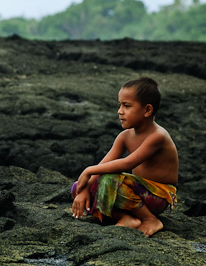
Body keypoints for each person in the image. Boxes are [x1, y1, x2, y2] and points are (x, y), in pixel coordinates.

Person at [72, 77, 179, 237]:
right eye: (120, 105)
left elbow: (127, 163)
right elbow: (105, 164)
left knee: (109, 179)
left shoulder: (158, 136)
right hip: (134, 195)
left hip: (157, 196)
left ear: (147, 110)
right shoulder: (124, 136)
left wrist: (88, 170)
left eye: (127, 106)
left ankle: (150, 219)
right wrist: (84, 189)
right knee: (78, 188)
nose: (120, 111)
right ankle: (127, 218)